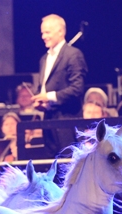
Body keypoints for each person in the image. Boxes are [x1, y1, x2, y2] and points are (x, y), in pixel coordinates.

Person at [31, 14, 87, 155]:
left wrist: (48, 97)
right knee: (52, 166)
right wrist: (42, 103)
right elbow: (44, 87)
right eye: (42, 32)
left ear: (61, 32)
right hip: (49, 121)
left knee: (68, 166)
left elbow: (77, 88)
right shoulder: (44, 59)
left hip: (67, 122)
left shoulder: (73, 55)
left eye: (47, 32)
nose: (43, 36)